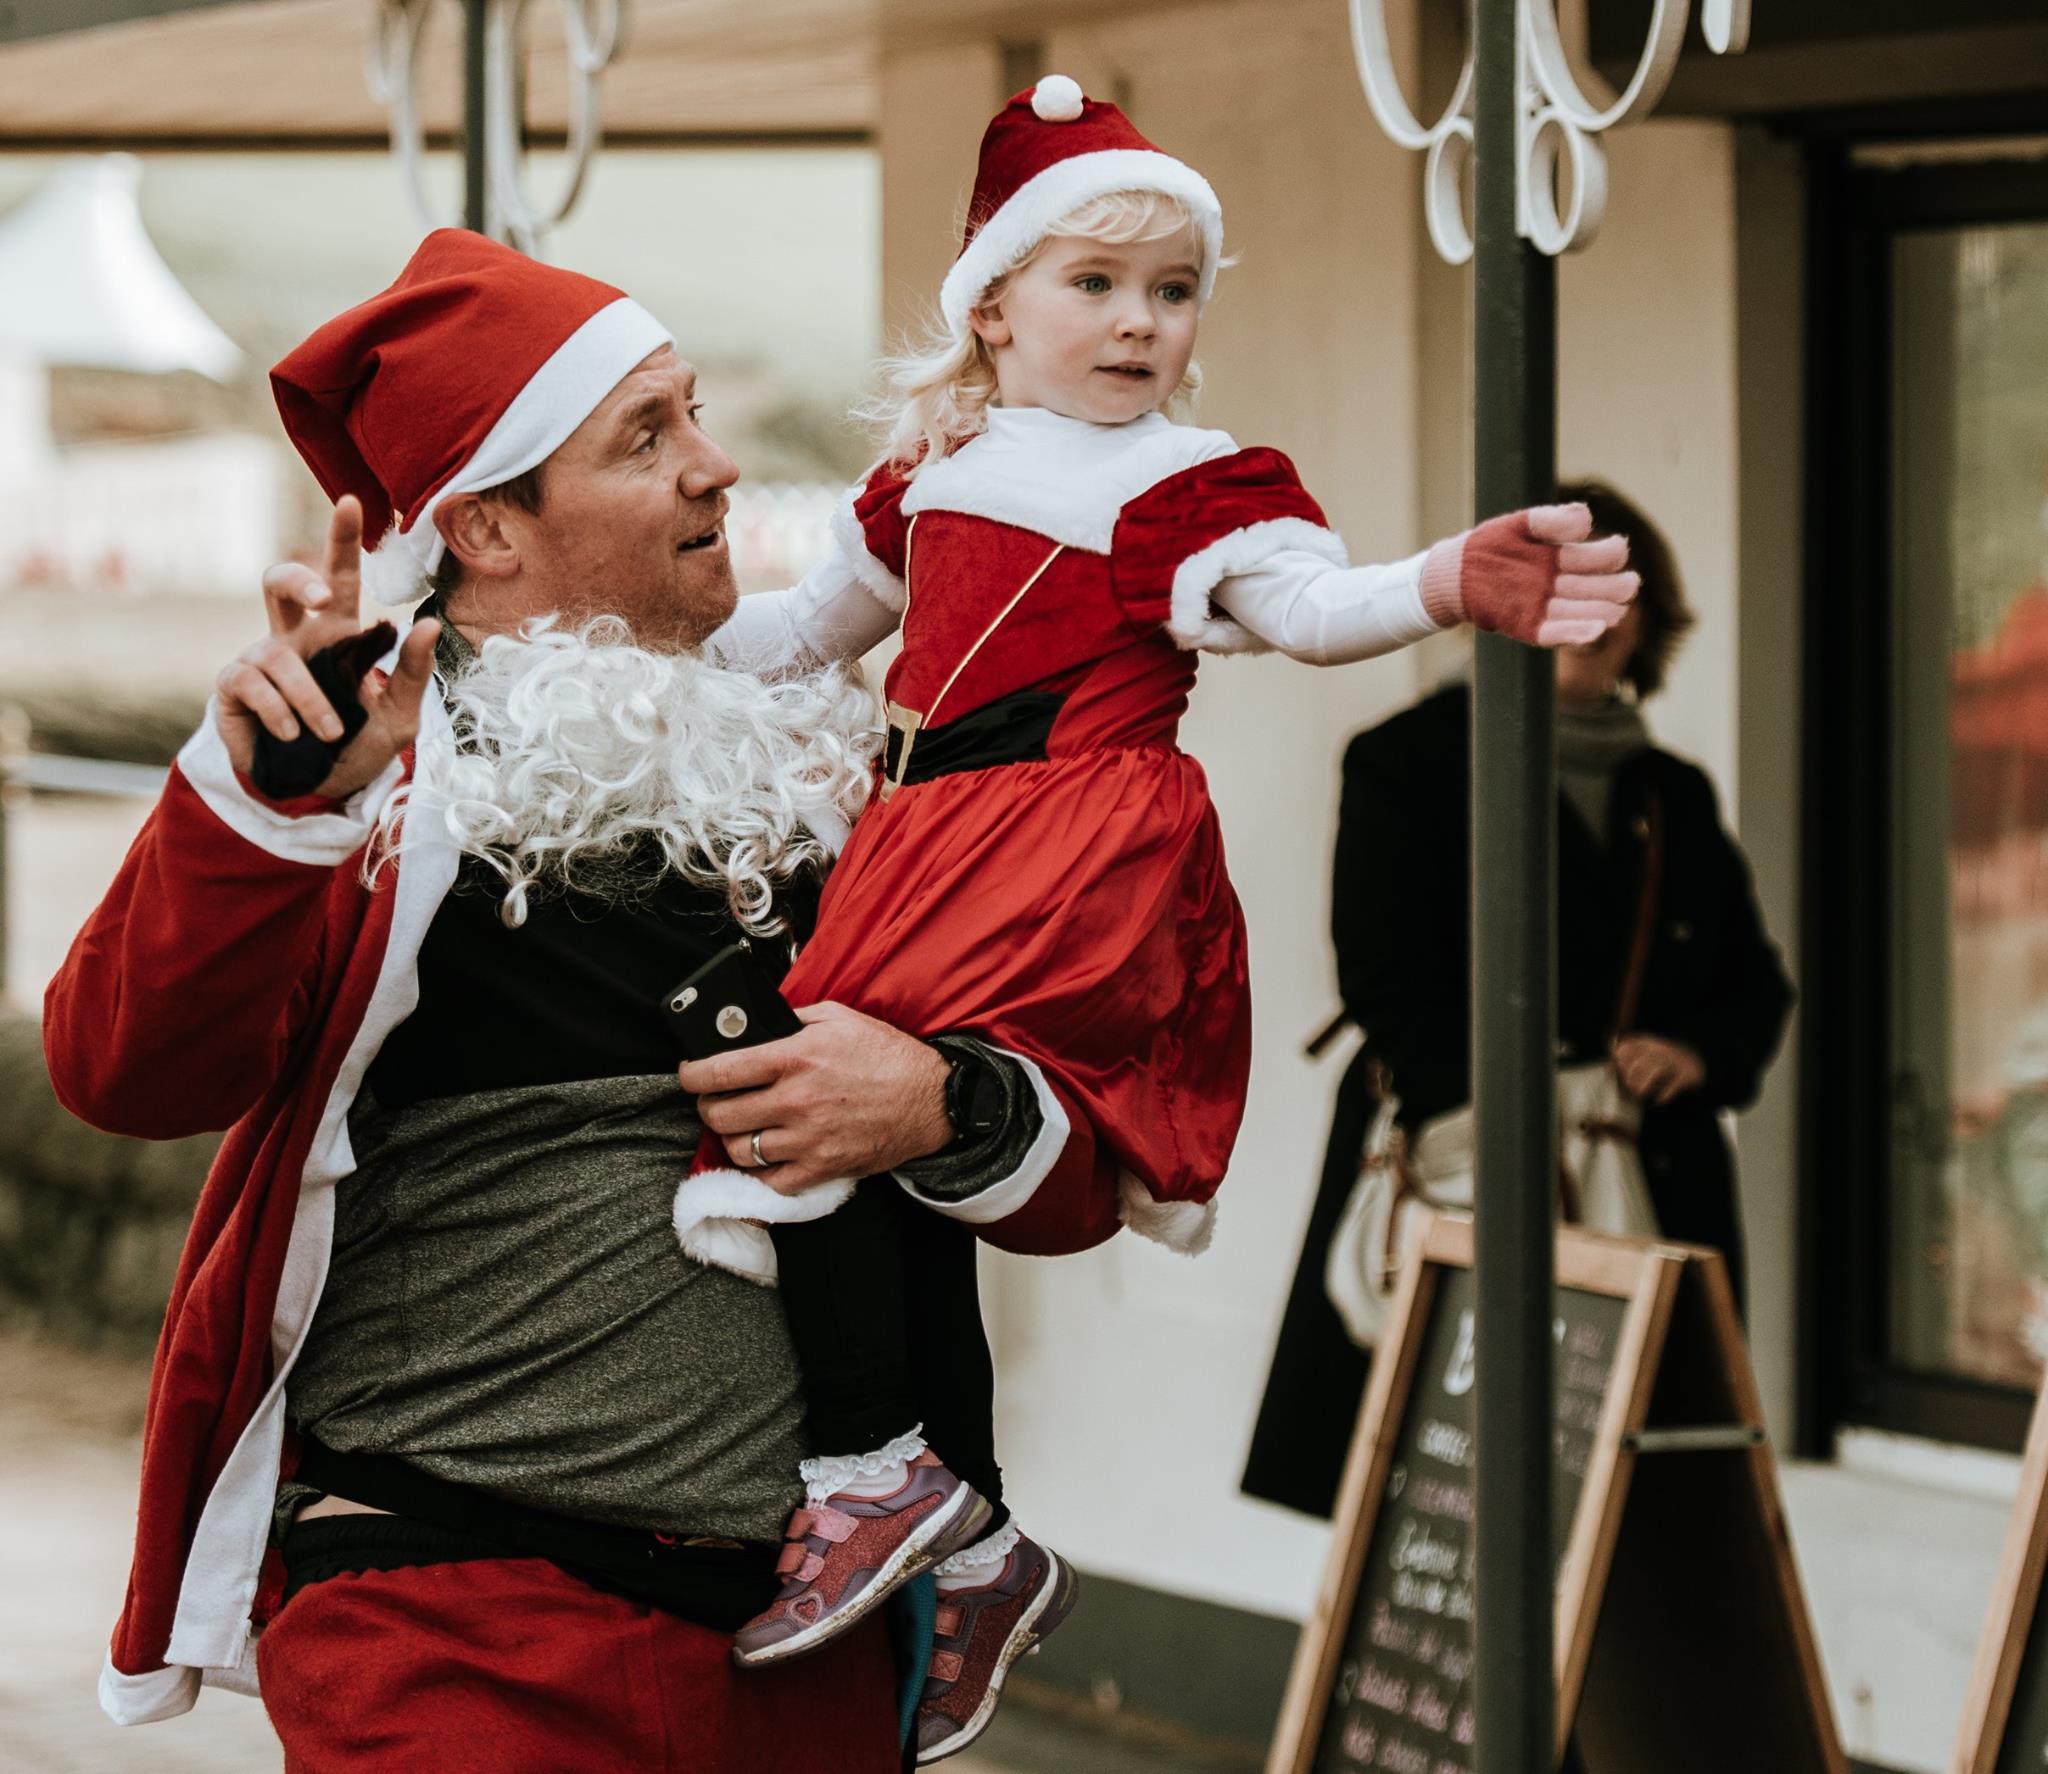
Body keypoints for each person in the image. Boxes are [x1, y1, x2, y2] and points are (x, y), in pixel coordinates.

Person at [43, 232, 1111, 1770]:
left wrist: (943, 1102)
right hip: (465, 1635)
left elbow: (1086, 1171)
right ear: (483, 524)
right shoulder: (367, 777)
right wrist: (262, 809)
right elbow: (123, 1068)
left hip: (804, 1651)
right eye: (650, 435)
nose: (718, 465)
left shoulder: (830, 784)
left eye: (694, 412)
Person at [659, 75, 1640, 1733]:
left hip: (1060, 841)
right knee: (862, 1150)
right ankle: (953, 1518)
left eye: (1170, 291)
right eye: (1093, 283)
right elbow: (799, 633)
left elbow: (1306, 609)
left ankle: (877, 1472)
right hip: (928, 829)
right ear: (992, 304)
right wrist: (623, 634)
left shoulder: (1185, 483)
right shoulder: (932, 472)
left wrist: (1438, 582)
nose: (1137, 325)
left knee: (814, 1109)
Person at [1241, 478, 1794, 1520]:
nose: (1595, 618)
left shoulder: (1672, 795)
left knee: (1638, 1498)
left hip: (1645, 1175)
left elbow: (1755, 987)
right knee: (1449, 1493)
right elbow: (1382, 978)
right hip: (1470, 1168)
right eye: (1556, 582)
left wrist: (1694, 1054)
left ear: (1649, 618)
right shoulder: (1404, 762)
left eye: (1616, 590)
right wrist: (1505, 1111)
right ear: (1495, 602)